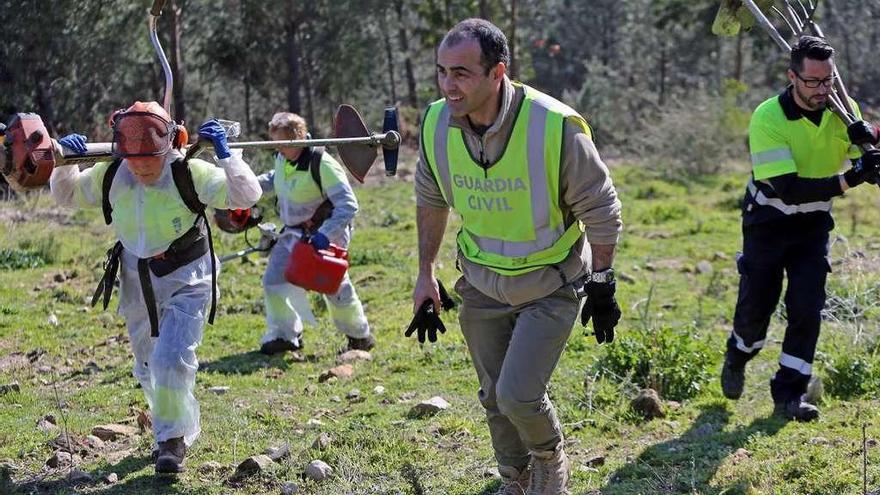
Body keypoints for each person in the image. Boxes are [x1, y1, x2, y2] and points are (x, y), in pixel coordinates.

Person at [412, 19, 622, 494]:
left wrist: (604, 280)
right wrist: (425, 274)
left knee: (518, 395)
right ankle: (515, 476)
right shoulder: (435, 123)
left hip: (550, 284)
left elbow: (602, 207)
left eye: (462, 73)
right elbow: (430, 197)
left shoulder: (553, 126)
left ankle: (550, 459)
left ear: (497, 72)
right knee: (492, 397)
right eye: (442, 72)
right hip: (482, 284)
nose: (449, 85)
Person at [50, 101, 262, 473]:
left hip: (189, 276)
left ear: (167, 146)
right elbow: (67, 195)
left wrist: (228, 156)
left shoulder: (190, 172)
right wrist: (65, 162)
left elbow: (246, 196)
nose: (142, 167)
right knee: (149, 365)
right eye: (135, 160)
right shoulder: (112, 172)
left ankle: (171, 440)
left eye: (150, 160)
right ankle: (174, 424)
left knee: (170, 360)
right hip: (136, 277)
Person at [721, 36, 880, 421]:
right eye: (812, 82)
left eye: (828, 81)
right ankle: (739, 354)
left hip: (812, 227)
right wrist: (852, 178)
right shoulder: (768, 118)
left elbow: (868, 163)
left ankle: (790, 394)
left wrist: (871, 148)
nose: (822, 90)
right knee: (757, 306)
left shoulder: (844, 111)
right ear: (792, 77)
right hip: (768, 222)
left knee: (807, 308)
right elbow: (788, 190)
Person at [255, 112, 374, 355]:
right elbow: (275, 179)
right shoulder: (283, 157)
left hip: (322, 234)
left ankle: (359, 336)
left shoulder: (322, 164)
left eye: (280, 142)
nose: (276, 147)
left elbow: (348, 205)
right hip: (292, 234)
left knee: (334, 287)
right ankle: (285, 336)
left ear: (297, 138)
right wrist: (246, 185)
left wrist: (326, 235)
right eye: (273, 142)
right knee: (274, 282)